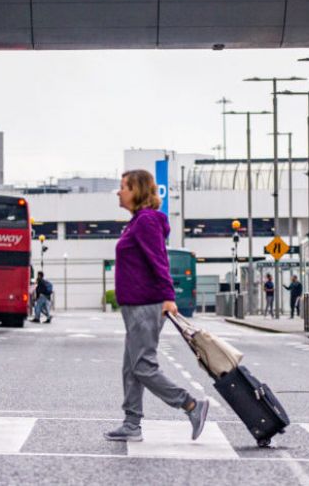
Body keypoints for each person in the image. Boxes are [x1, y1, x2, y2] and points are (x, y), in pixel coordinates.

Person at [104, 169, 208, 443]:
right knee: (131, 367)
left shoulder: (146, 221)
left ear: (136, 190)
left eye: (123, 186)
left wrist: (168, 296)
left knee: (143, 366)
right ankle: (131, 423)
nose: (119, 191)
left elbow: (158, 260)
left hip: (145, 305)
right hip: (136, 305)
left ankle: (190, 405)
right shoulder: (138, 221)